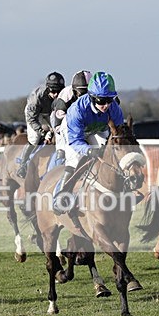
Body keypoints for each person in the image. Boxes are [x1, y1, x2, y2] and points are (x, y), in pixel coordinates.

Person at [52, 71, 124, 215]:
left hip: (97, 128)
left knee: (111, 154)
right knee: (75, 159)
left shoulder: (114, 108)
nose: (105, 105)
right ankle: (60, 197)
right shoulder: (76, 110)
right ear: (91, 97)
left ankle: (124, 190)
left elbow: (119, 133)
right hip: (74, 132)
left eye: (109, 100)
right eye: (101, 101)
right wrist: (89, 150)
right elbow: (75, 141)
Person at [16, 72, 66, 178]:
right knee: (34, 138)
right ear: (48, 88)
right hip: (35, 114)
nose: (56, 94)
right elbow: (32, 119)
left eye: (59, 91)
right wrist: (42, 132)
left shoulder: (63, 94)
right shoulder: (36, 97)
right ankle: (22, 164)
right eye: (53, 91)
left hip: (50, 112)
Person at [51, 70, 92, 168]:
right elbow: (58, 125)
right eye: (82, 93)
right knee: (62, 153)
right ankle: (55, 175)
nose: (85, 97)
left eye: (88, 93)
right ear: (74, 90)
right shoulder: (65, 97)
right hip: (61, 123)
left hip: (85, 123)